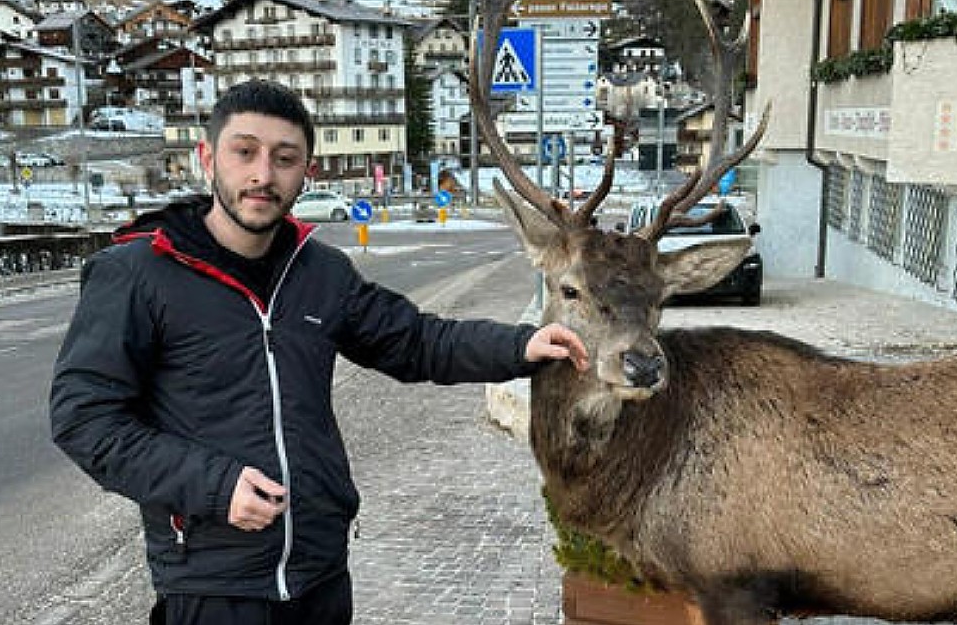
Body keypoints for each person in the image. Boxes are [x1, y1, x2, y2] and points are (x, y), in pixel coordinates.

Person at [49, 79, 588, 625]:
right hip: (214, 584)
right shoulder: (139, 273)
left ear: (306, 173)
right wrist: (212, 485)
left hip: (320, 574)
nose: (263, 174)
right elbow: (84, 417)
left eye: (285, 159)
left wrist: (521, 344)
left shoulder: (319, 272)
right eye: (245, 152)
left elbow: (416, 342)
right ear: (207, 157)